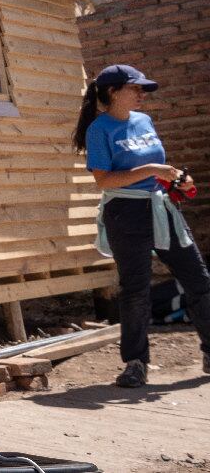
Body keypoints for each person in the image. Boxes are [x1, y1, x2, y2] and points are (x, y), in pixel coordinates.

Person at [73, 64, 210, 388]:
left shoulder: (144, 121)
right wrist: (151, 169)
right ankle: (136, 363)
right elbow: (103, 181)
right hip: (125, 211)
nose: (141, 94)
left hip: (161, 206)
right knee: (135, 290)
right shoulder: (99, 129)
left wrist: (176, 177)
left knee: (199, 279)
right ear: (112, 92)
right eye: (135, 88)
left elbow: (158, 166)